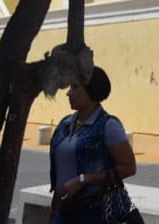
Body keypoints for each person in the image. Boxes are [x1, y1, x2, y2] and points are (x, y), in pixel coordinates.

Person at [49, 66, 137, 224]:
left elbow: (129, 167)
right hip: (63, 213)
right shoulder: (64, 124)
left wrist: (83, 180)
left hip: (95, 212)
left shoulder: (108, 126)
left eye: (75, 87)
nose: (69, 93)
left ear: (91, 90)